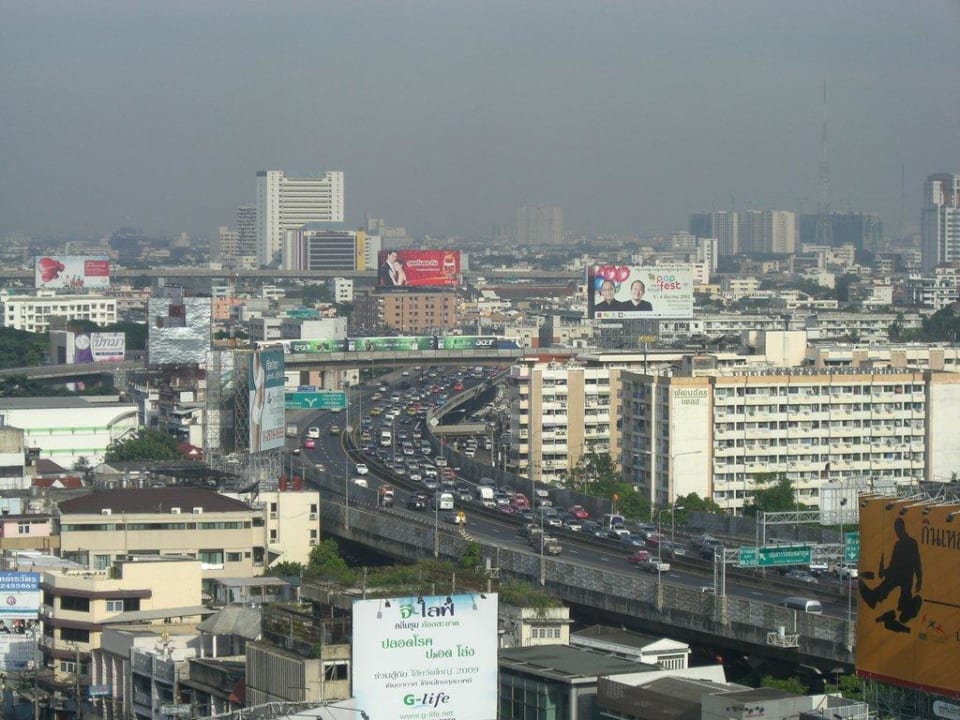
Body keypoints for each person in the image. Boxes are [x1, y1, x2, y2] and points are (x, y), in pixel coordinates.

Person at [859, 516, 923, 632]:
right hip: (900, 575)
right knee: (893, 588)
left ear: (902, 528)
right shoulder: (899, 544)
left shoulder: (911, 543)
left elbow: (916, 562)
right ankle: (877, 598)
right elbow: (894, 564)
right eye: (896, 529)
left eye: (898, 529)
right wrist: (885, 572)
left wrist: (919, 578)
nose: (897, 532)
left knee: (896, 588)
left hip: (904, 575)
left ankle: (876, 597)